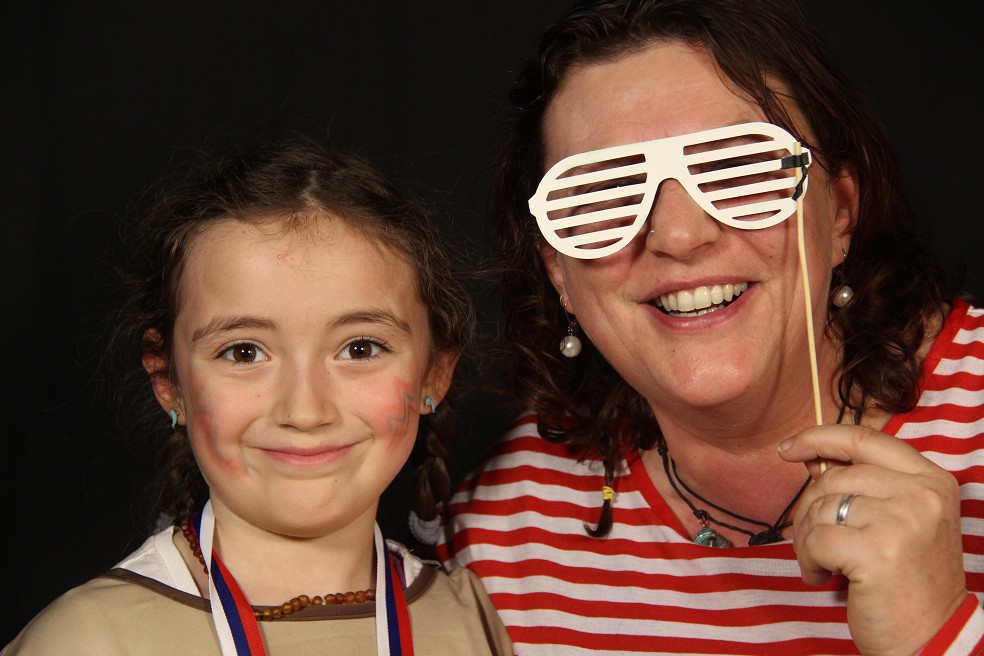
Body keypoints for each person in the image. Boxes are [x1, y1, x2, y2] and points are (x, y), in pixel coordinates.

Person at [437, 0, 984, 654]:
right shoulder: (500, 534)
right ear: (559, 272)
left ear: (838, 212)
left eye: (736, 167)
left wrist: (938, 631)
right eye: (607, 191)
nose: (678, 235)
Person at [3, 132, 514, 655]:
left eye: (360, 348)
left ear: (435, 374)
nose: (304, 410)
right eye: (244, 352)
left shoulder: (473, 620)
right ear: (168, 382)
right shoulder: (86, 640)